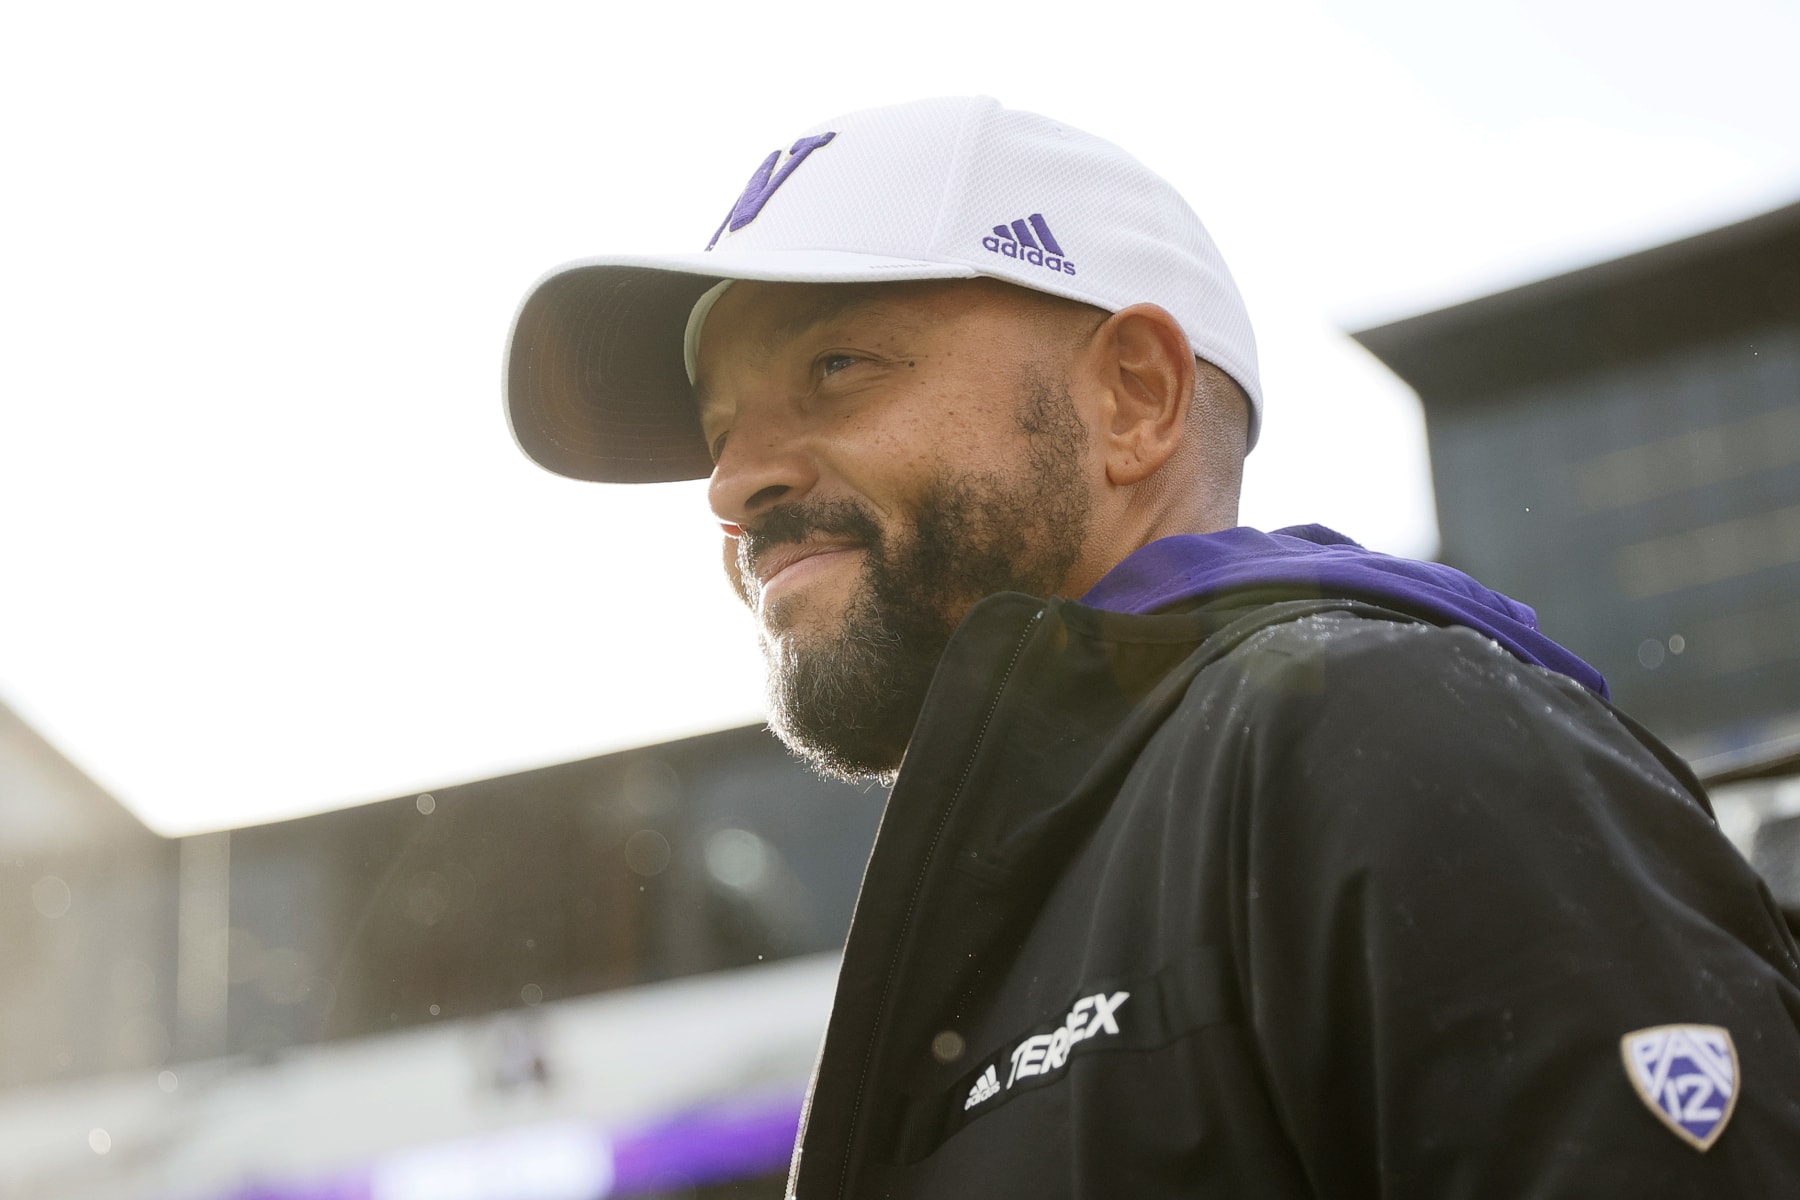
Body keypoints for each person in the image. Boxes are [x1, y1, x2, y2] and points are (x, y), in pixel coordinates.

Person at [504, 97, 1800, 1197]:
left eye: (837, 367)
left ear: (1134, 399)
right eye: (721, 429)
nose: (734, 485)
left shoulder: (1380, 730)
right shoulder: (1031, 884)